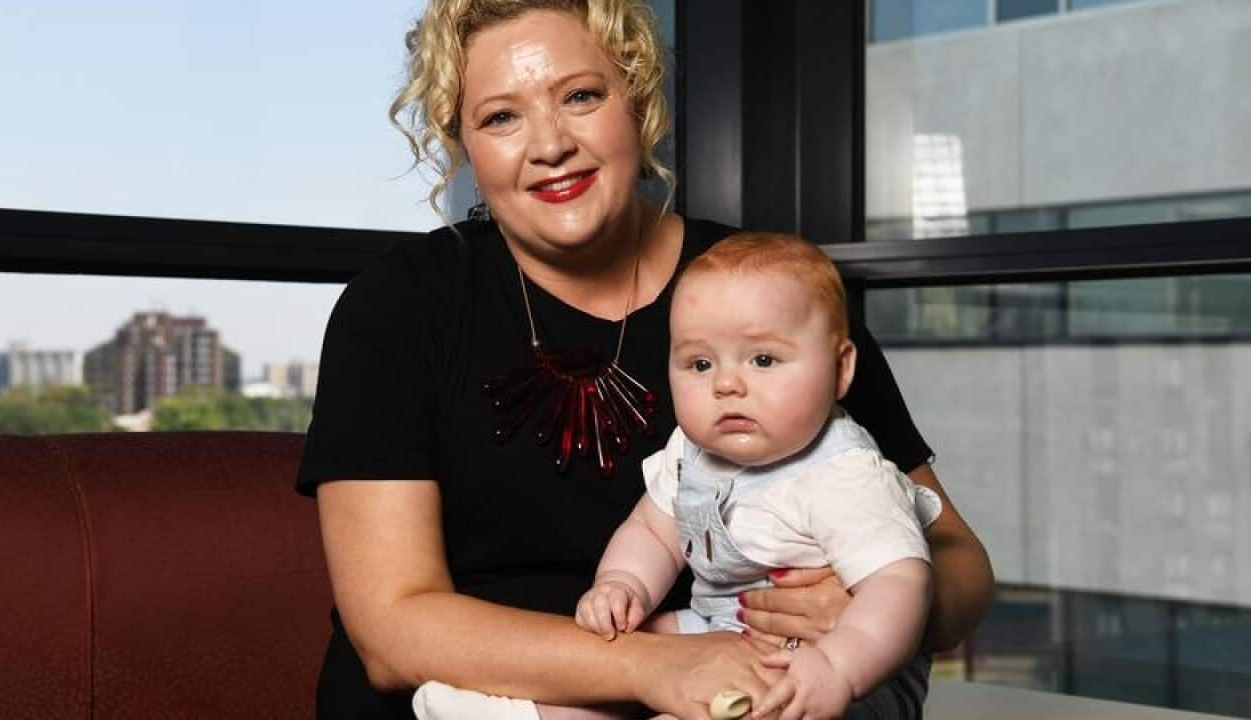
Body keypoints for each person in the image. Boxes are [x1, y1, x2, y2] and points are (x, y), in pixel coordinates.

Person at [295, 1, 995, 719]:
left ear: (637, 98)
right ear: (463, 144)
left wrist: (883, 599)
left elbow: (961, 562)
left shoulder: (770, 290)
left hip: (739, 695)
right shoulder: (401, 304)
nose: (549, 145)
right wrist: (655, 666)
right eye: (501, 117)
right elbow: (390, 629)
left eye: (580, 96)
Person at [412, 233, 938, 720]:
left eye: (762, 359)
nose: (727, 384)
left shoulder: (845, 475)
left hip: (836, 670)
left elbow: (899, 583)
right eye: (700, 364)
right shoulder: (691, 450)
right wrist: (623, 583)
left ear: (841, 368)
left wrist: (840, 670)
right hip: (717, 627)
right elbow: (653, 532)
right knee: (625, 650)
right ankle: (528, 712)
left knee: (758, 704)